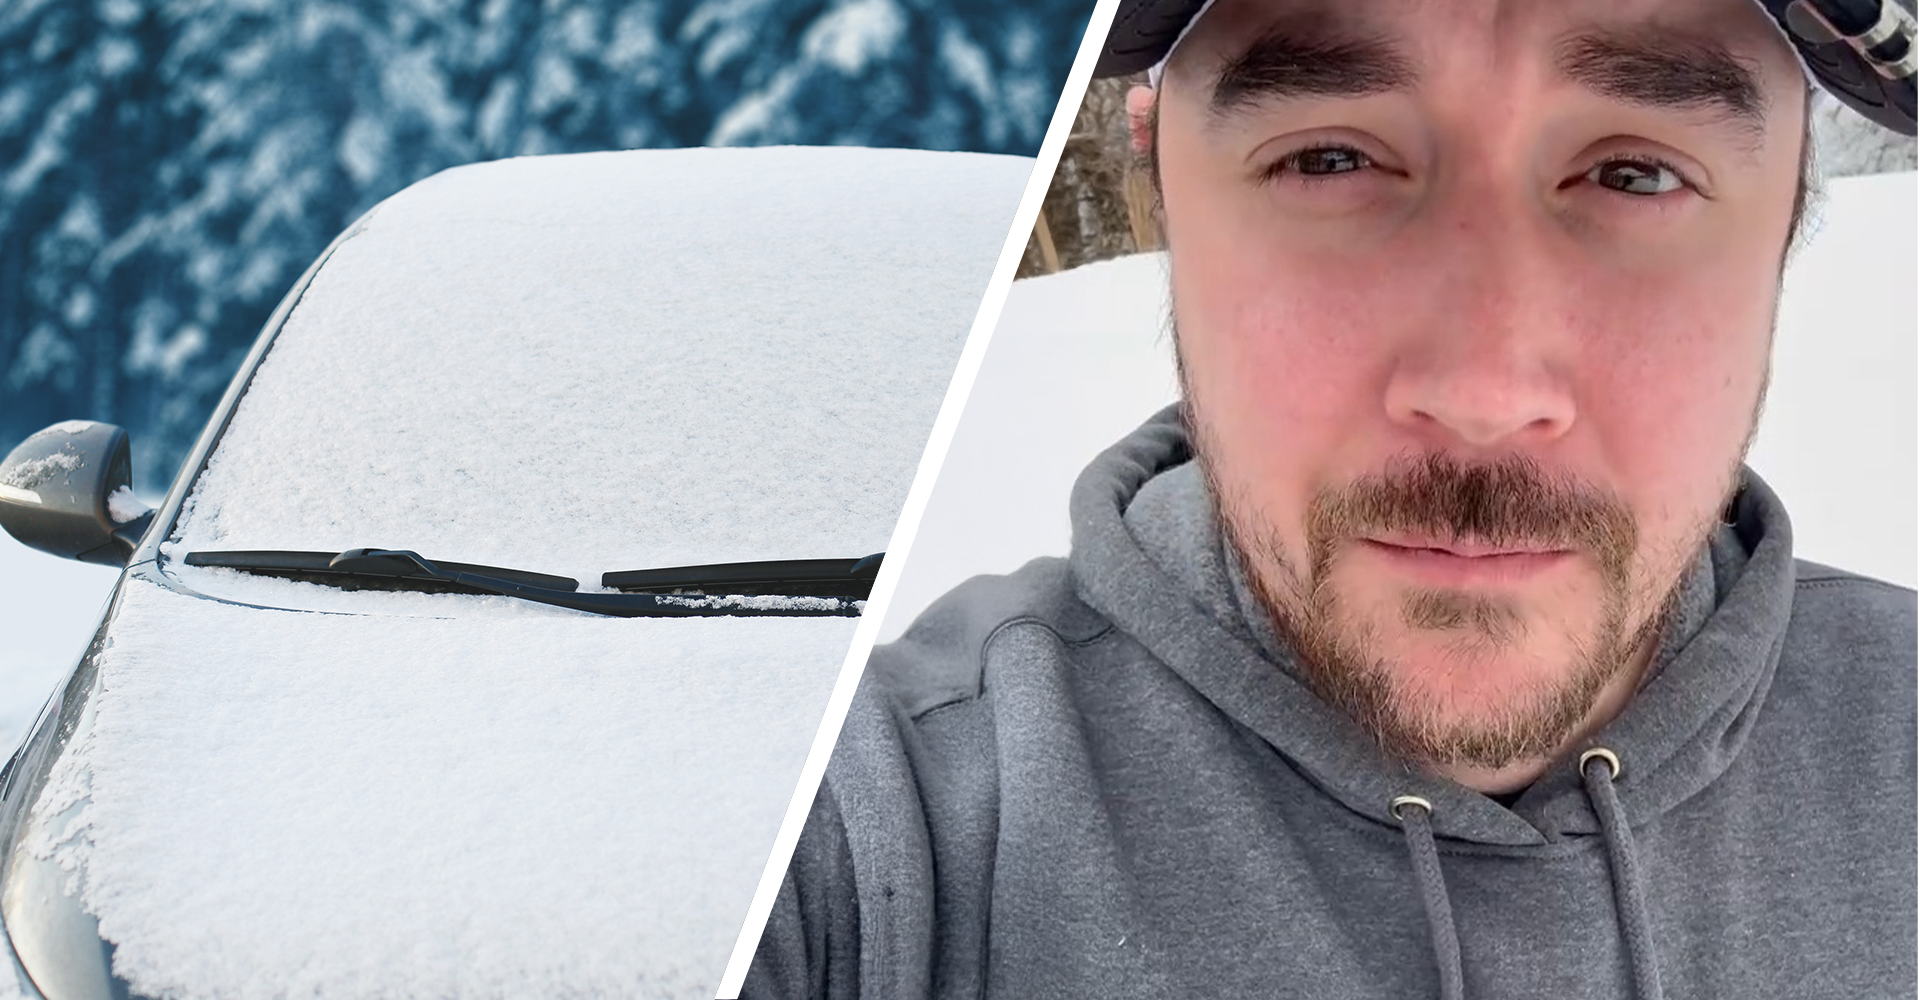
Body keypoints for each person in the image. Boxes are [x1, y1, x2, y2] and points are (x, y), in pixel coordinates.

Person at [745, 0, 1918, 997]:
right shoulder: (871, 830)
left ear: (1787, 212)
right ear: (1158, 179)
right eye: (1328, 159)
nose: (1481, 391)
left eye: (1634, 173)